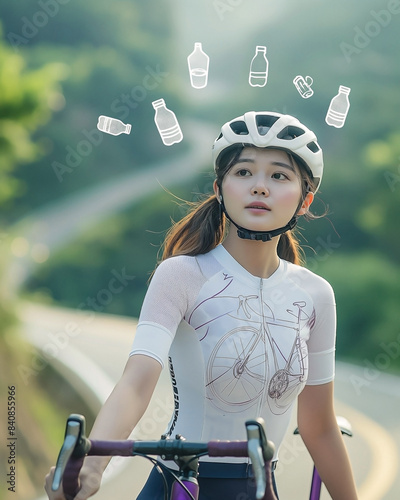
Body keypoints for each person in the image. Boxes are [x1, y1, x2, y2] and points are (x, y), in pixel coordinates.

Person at [45, 111, 358, 500]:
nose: (259, 187)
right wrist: (90, 468)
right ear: (220, 187)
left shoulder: (316, 295)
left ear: (304, 199)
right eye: (243, 172)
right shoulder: (181, 274)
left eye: (279, 175)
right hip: (181, 482)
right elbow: (136, 381)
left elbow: (319, 426)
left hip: (261, 487)